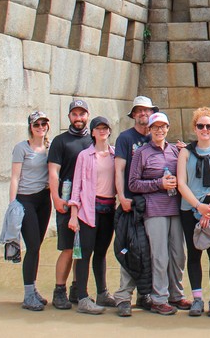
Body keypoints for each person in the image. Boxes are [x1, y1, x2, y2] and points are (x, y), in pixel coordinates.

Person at [128, 112, 186, 316]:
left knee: (178, 254)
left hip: (176, 209)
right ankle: (159, 298)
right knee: (160, 256)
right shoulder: (142, 153)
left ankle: (176, 294)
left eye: (163, 127)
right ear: (149, 130)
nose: (159, 130)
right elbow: (133, 184)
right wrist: (158, 183)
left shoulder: (176, 151)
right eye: (155, 127)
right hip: (155, 210)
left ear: (168, 128)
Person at [177, 107, 210, 317]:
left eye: (209, 126)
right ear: (195, 128)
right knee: (194, 253)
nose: (205, 129)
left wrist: (209, 209)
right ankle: (197, 298)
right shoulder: (186, 152)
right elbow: (181, 183)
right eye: (201, 126)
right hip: (190, 206)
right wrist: (198, 206)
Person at [112, 95, 159, 316]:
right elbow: (119, 169)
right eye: (139, 111)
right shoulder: (125, 138)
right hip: (130, 203)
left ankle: (145, 294)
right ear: (133, 115)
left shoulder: (156, 136)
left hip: (151, 204)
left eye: (146, 111)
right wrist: (121, 196)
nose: (143, 114)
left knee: (149, 250)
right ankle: (123, 296)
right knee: (130, 248)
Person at [67, 116, 118, 315]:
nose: (103, 131)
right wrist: (73, 214)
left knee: (101, 253)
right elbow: (76, 185)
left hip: (108, 209)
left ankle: (102, 292)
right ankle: (82, 297)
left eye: (105, 128)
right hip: (88, 210)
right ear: (93, 132)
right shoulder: (84, 156)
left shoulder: (115, 154)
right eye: (99, 128)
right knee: (84, 254)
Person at [47, 99, 94, 310]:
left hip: (88, 202)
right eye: (75, 114)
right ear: (69, 117)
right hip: (66, 200)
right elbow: (53, 172)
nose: (79, 118)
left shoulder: (93, 140)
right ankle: (59, 290)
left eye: (82, 114)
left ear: (87, 116)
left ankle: (78, 288)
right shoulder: (60, 141)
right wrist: (56, 198)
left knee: (83, 249)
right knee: (67, 248)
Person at [11, 110, 52, 311]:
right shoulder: (21, 148)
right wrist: (12, 205)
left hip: (44, 199)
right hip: (25, 200)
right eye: (37, 125)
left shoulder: (50, 148)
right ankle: (28, 294)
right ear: (31, 127)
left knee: (38, 246)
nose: (40, 128)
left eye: (43, 124)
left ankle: (33, 289)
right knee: (33, 246)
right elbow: (14, 177)